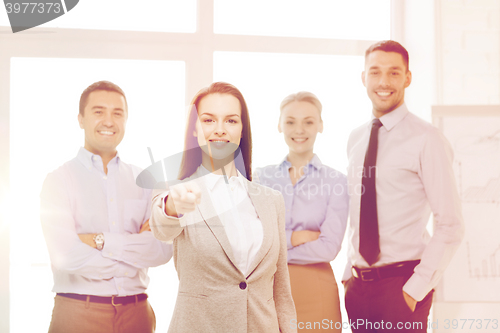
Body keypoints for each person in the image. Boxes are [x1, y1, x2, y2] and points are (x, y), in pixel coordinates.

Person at [149, 82, 297, 333]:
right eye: (208, 120)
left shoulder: (271, 200)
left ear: (242, 130)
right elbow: (162, 226)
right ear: (195, 129)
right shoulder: (177, 190)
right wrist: (173, 205)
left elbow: (281, 291)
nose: (220, 130)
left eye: (230, 121)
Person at [342, 40, 464, 332]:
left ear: (408, 77)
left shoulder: (427, 138)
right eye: (375, 72)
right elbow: (359, 212)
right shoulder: (355, 139)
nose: (384, 82)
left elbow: (450, 224)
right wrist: (348, 275)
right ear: (363, 78)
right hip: (359, 290)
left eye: (394, 73)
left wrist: (414, 289)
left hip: (402, 288)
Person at [40, 80, 173, 333]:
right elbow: (67, 256)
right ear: (81, 118)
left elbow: (162, 251)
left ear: (126, 120)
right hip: (78, 313)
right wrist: (134, 247)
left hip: (137, 314)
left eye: (117, 113)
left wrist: (98, 241)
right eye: (98, 112)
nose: (109, 121)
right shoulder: (58, 180)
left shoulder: (147, 180)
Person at [254, 92, 348, 332]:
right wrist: (296, 237)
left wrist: (276, 243)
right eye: (290, 121)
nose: (299, 130)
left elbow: (329, 247)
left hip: (317, 290)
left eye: (308, 121)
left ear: (320, 125)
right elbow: (253, 240)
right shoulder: (261, 178)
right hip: (267, 291)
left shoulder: (336, 181)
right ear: (279, 125)